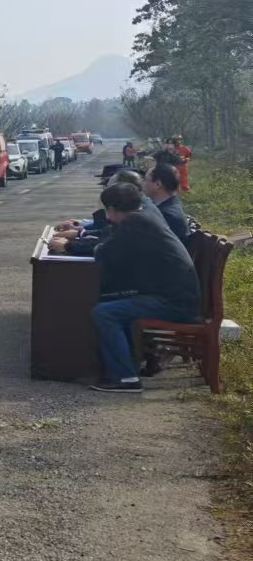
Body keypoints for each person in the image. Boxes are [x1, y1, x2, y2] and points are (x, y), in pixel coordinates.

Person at [86, 182, 200, 394]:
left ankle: (125, 377)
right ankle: (127, 366)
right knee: (110, 304)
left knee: (104, 312)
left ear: (111, 209)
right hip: (176, 295)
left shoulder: (136, 224)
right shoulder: (145, 216)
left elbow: (105, 252)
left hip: (173, 302)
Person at [142, 162, 190, 242]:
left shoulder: (166, 215)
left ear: (157, 184)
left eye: (145, 180)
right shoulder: (170, 205)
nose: (142, 183)